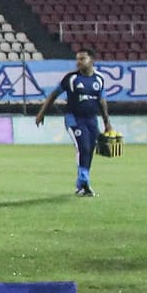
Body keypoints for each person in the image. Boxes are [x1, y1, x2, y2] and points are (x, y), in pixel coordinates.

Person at [35, 49, 115, 197]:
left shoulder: (99, 79)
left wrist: (107, 123)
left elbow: (102, 101)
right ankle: (83, 181)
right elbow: (53, 95)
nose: (78, 62)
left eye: (82, 59)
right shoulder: (71, 78)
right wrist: (41, 113)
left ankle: (83, 185)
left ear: (91, 60)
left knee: (90, 149)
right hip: (74, 118)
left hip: (92, 119)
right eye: (77, 59)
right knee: (82, 146)